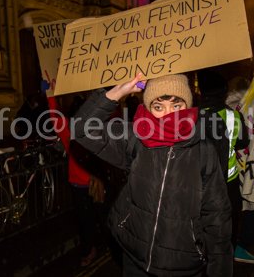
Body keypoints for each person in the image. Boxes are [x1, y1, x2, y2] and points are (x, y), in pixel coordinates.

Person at [72, 73, 232, 276]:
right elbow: (81, 130)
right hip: (134, 258)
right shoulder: (136, 138)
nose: (167, 114)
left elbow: (217, 216)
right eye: (158, 107)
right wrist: (117, 91)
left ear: (188, 105)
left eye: (176, 106)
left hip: (182, 265)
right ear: (148, 108)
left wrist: (219, 270)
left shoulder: (203, 150)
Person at [197, 68, 254, 264]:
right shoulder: (233, 116)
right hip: (226, 184)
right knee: (226, 229)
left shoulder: (189, 115)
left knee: (199, 229)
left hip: (197, 186)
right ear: (223, 92)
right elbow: (242, 143)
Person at [45, 88, 107, 267]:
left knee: (91, 218)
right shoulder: (91, 127)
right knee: (94, 217)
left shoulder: (72, 128)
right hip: (90, 182)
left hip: (90, 182)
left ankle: (95, 247)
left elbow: (54, 114)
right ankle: (93, 247)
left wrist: (50, 95)